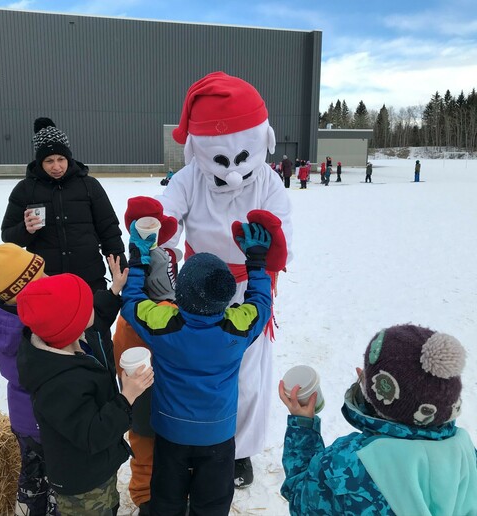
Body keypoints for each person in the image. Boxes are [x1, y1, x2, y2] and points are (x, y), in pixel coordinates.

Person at [137, 72, 292, 488]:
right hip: (197, 286)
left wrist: (270, 245)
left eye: (242, 158)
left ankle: (237, 451)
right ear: (201, 151)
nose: (235, 174)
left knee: (245, 373)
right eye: (222, 161)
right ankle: (189, 439)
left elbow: (285, 235)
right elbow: (169, 214)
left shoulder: (269, 181)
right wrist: (157, 223)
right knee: (191, 367)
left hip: (249, 285)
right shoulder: (190, 177)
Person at [121, 220, 273, 515]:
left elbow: (132, 302)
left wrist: (138, 260)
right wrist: (256, 262)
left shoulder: (163, 325)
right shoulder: (237, 327)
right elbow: (262, 304)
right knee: (213, 502)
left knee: (166, 498)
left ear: (182, 295)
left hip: (170, 432)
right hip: (218, 434)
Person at [279, 324, 477, 515]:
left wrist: (302, 425)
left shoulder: (347, 465)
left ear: (382, 393)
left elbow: (302, 498)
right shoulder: (466, 454)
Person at [16, 272, 154, 515]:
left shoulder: (66, 340)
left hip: (98, 468)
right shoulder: (59, 384)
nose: (93, 306)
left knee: (109, 505)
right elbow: (94, 434)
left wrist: (114, 292)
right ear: (72, 325)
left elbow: (96, 317)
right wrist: (127, 397)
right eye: (86, 306)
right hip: (82, 482)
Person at [112, 197, 182, 516]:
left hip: (137, 395)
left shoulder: (126, 314)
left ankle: (146, 496)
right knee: (156, 447)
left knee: (143, 445)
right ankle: (151, 495)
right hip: (158, 396)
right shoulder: (164, 312)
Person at [1, 117, 127, 293]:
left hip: (89, 280)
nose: (56, 166)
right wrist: (25, 229)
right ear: (39, 162)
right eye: (49, 161)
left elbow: (109, 230)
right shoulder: (24, 190)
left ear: (69, 158)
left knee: (94, 321)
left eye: (61, 159)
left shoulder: (89, 185)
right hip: (46, 281)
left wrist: (120, 273)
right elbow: (7, 237)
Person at [0, 243, 57, 516]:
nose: (47, 280)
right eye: (39, 278)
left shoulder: (0, 319)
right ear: (21, 290)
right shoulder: (32, 327)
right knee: (57, 478)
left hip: (22, 418)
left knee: (32, 475)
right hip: (46, 415)